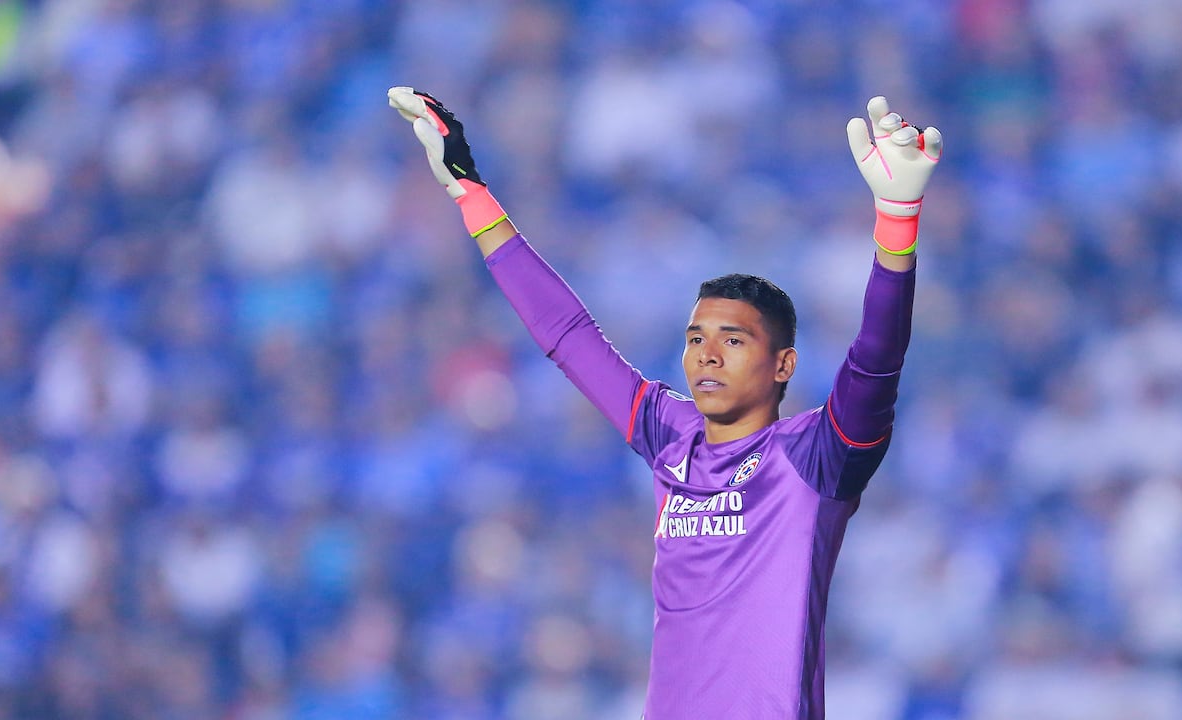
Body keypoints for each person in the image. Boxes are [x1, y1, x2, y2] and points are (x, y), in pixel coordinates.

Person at [387, 86, 942, 719]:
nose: (707, 355)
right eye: (696, 339)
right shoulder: (669, 432)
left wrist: (897, 218)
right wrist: (470, 191)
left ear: (783, 365)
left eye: (733, 341)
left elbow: (876, 359)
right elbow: (567, 335)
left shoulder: (816, 456)